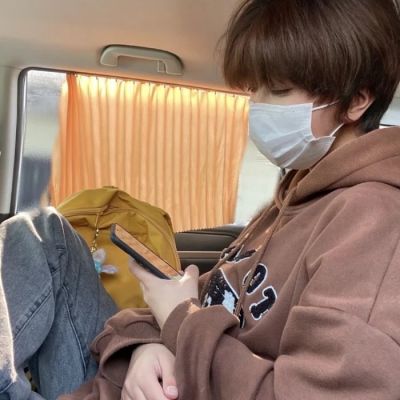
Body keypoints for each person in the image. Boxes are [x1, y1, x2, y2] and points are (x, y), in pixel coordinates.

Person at [2, 0, 400, 399]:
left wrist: (182, 319)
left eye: (278, 90)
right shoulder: (291, 200)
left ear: (356, 100)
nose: (258, 106)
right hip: (136, 378)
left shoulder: (372, 222)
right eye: (255, 90)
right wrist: (144, 346)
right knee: (44, 234)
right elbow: (200, 304)